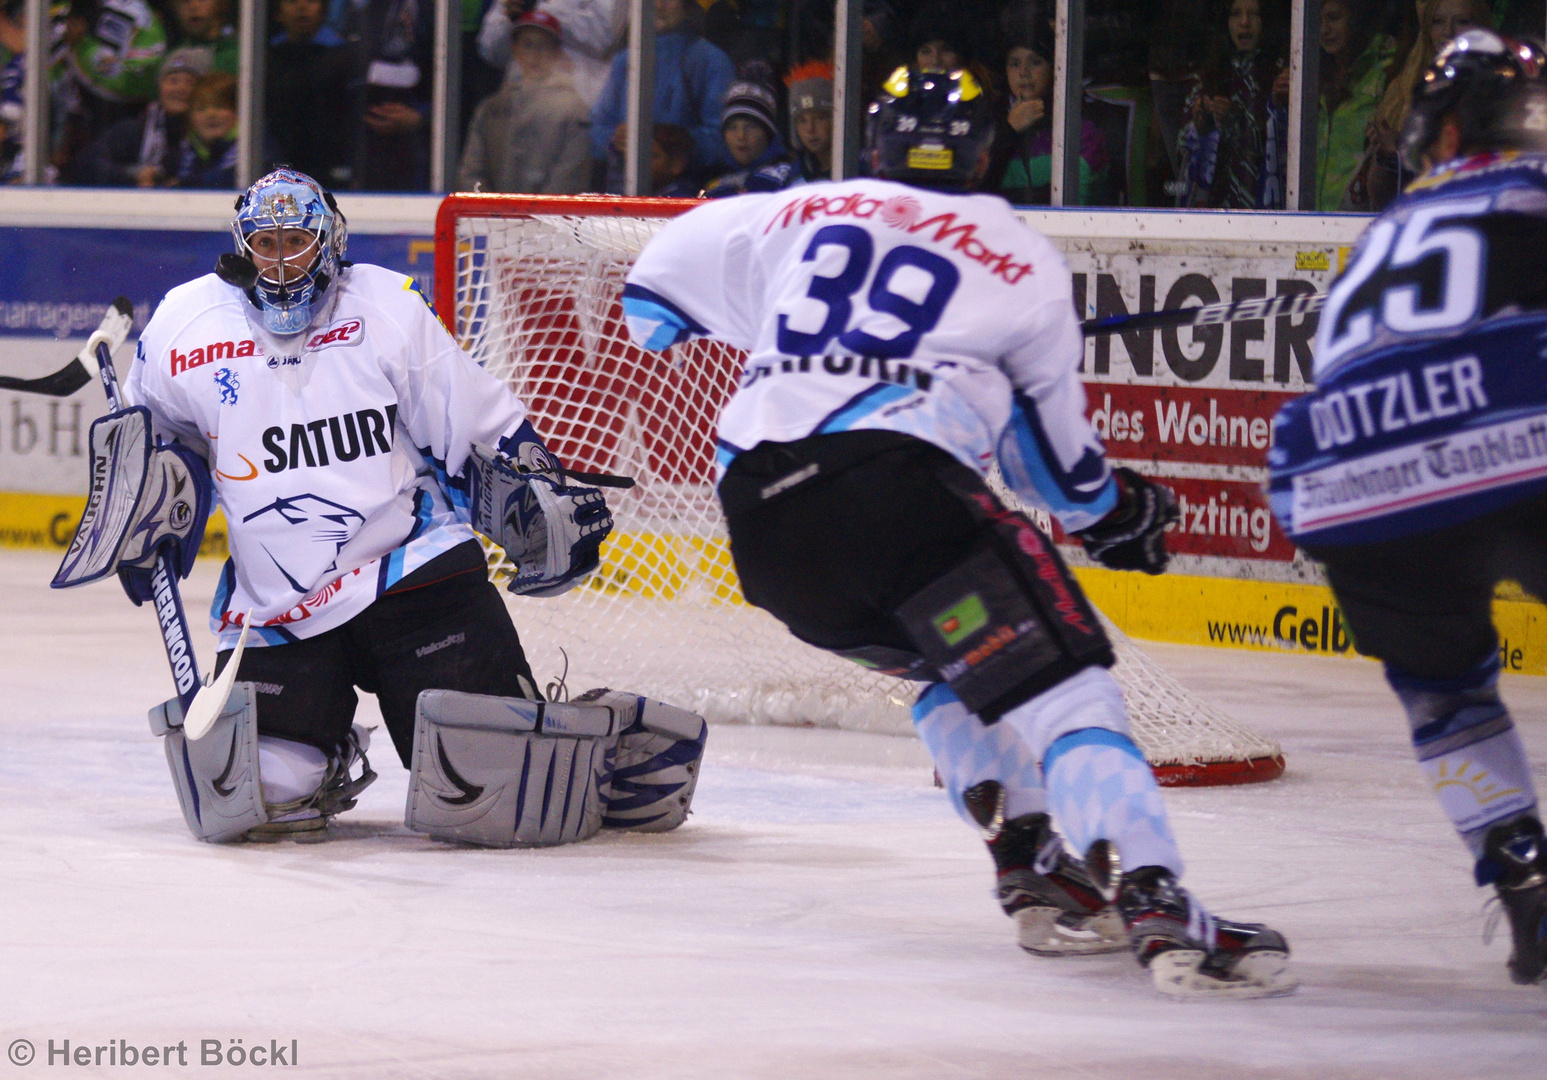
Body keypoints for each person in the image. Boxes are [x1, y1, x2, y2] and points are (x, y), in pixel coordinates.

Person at [620, 67, 1296, 999]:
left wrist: (816, 342)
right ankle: (1155, 900)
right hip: (901, 504)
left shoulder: (799, 208)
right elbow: (1056, 475)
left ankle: (1037, 868)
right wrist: (1123, 512)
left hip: (768, 526)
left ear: (873, 146)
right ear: (983, 152)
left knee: (943, 668)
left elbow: (651, 301)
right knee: (1069, 692)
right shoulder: (1016, 254)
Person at [79, 168, 703, 845]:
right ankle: (325, 743)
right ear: (243, 246)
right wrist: (141, 519)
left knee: (491, 797)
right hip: (281, 605)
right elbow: (158, 441)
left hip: (414, 576)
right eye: (268, 242)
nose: (283, 259)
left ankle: (607, 737)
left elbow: (470, 418)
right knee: (250, 799)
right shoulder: (184, 321)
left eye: (299, 240)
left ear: (330, 241)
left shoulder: (384, 308)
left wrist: (534, 481)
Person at [1269, 29, 1547, 989]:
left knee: (1448, 694)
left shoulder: (1373, 243)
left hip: (1351, 491)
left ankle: (1520, 865)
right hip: (1517, 437)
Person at [1350, 0, 1493, 210]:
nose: (1449, 32)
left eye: (1462, 21)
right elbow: (1378, 200)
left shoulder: (1499, 91)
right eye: (1437, 22)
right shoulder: (1403, 90)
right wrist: (1388, 158)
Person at [590, 0, 734, 190]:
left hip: (685, 198)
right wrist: (614, 140)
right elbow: (595, 131)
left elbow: (726, 140)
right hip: (622, 199)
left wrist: (674, 145)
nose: (658, 5)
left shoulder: (711, 61)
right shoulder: (625, 60)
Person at [458, 9, 591, 193]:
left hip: (548, 219)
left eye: (543, 46)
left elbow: (568, 180)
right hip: (493, 218)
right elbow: (471, 173)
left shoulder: (574, 111)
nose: (535, 54)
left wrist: (536, 216)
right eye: (527, 45)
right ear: (516, 51)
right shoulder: (492, 108)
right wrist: (489, 210)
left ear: (558, 53)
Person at [1174, 0, 1287, 208]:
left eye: (1253, 14)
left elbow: (1280, 148)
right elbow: (1181, 147)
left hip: (1266, 206)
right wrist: (1200, 125)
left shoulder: (1280, 75)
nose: (1245, 22)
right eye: (1236, 14)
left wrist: (1233, 120)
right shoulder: (1209, 73)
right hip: (1215, 209)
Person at [995, 29, 1108, 204]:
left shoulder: (1080, 124)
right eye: (1015, 63)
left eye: (1035, 62)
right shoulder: (989, 120)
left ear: (1055, 67)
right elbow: (976, 186)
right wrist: (1009, 130)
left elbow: (1077, 202)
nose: (1024, 72)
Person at [71, 45, 211, 187]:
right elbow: (86, 163)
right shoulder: (136, 129)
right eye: (172, 81)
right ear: (160, 87)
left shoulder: (211, 134)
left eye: (190, 82)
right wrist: (134, 175)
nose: (180, 89)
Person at [477, 0, 622, 109]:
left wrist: (539, 12)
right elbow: (492, 52)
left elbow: (603, 36)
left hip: (578, 109)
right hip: (522, 108)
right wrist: (509, 21)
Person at [267, 0, 351, 187]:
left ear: (324, 11)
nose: (301, 7)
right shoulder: (264, 57)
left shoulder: (344, 57)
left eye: (311, 1)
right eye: (292, 1)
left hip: (330, 169)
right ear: (278, 13)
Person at [700, 78, 800, 197]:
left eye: (751, 127)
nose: (741, 136)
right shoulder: (714, 183)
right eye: (733, 128)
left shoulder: (786, 176)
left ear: (768, 133)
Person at [169, 70, 236, 187]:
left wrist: (183, 184)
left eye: (220, 106)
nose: (211, 114)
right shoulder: (185, 150)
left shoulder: (253, 150)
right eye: (201, 109)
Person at [784, 60, 833, 182]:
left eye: (820, 118)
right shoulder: (793, 177)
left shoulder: (860, 171)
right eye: (802, 121)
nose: (810, 129)